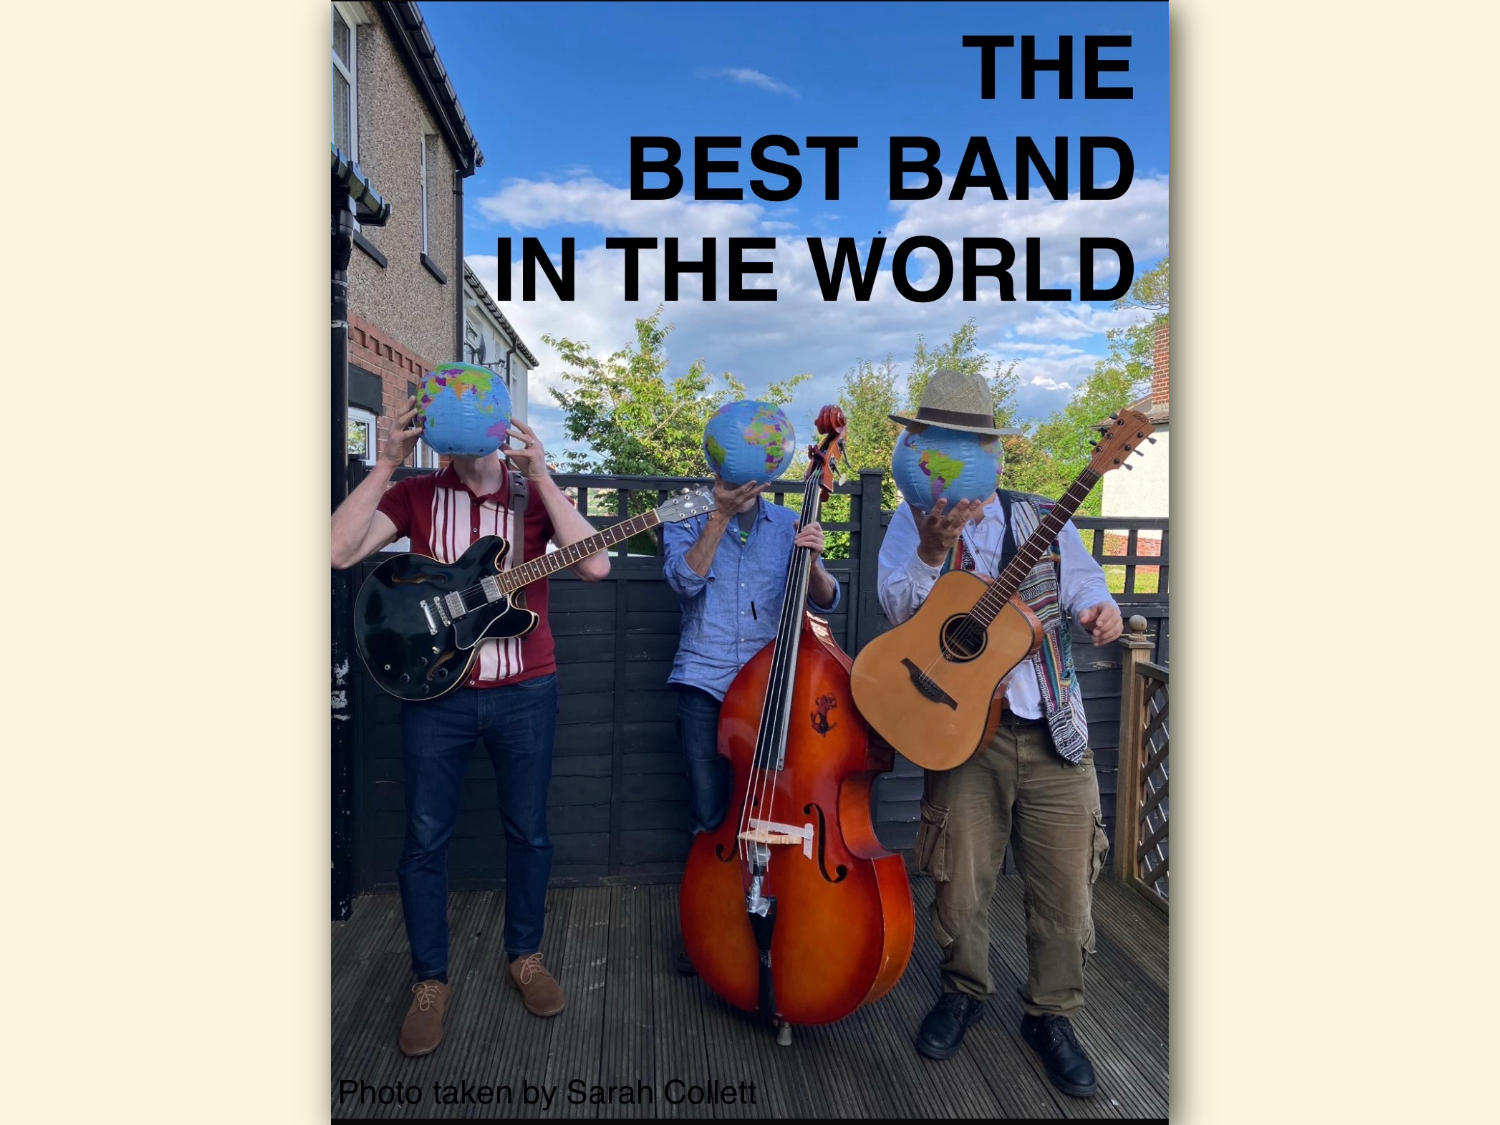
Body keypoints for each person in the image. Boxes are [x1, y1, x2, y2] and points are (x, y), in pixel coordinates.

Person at [331, 397, 610, 1057]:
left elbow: (595, 565)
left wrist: (543, 477)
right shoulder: (418, 495)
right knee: (424, 840)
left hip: (527, 690)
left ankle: (525, 956)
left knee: (529, 832)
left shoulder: (532, 499)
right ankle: (430, 980)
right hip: (437, 694)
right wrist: (387, 462)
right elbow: (337, 552)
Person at [876, 370, 1123, 1098]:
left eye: (968, 445)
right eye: (939, 444)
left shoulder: (1042, 515)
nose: (951, 458)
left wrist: (1100, 609)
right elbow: (899, 613)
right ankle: (963, 990)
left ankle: (1052, 1014)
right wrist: (930, 552)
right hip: (960, 733)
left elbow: (1084, 582)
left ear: (990, 452)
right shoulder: (910, 520)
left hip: (1053, 730)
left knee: (1066, 888)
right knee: (959, 880)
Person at [662, 470, 839, 972]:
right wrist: (717, 518)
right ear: (717, 466)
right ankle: (705, 927)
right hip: (704, 680)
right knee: (708, 815)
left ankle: (779, 916)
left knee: (777, 809)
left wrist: (814, 563)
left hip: (771, 685)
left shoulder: (787, 522)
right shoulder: (685, 515)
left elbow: (827, 599)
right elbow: (683, 582)